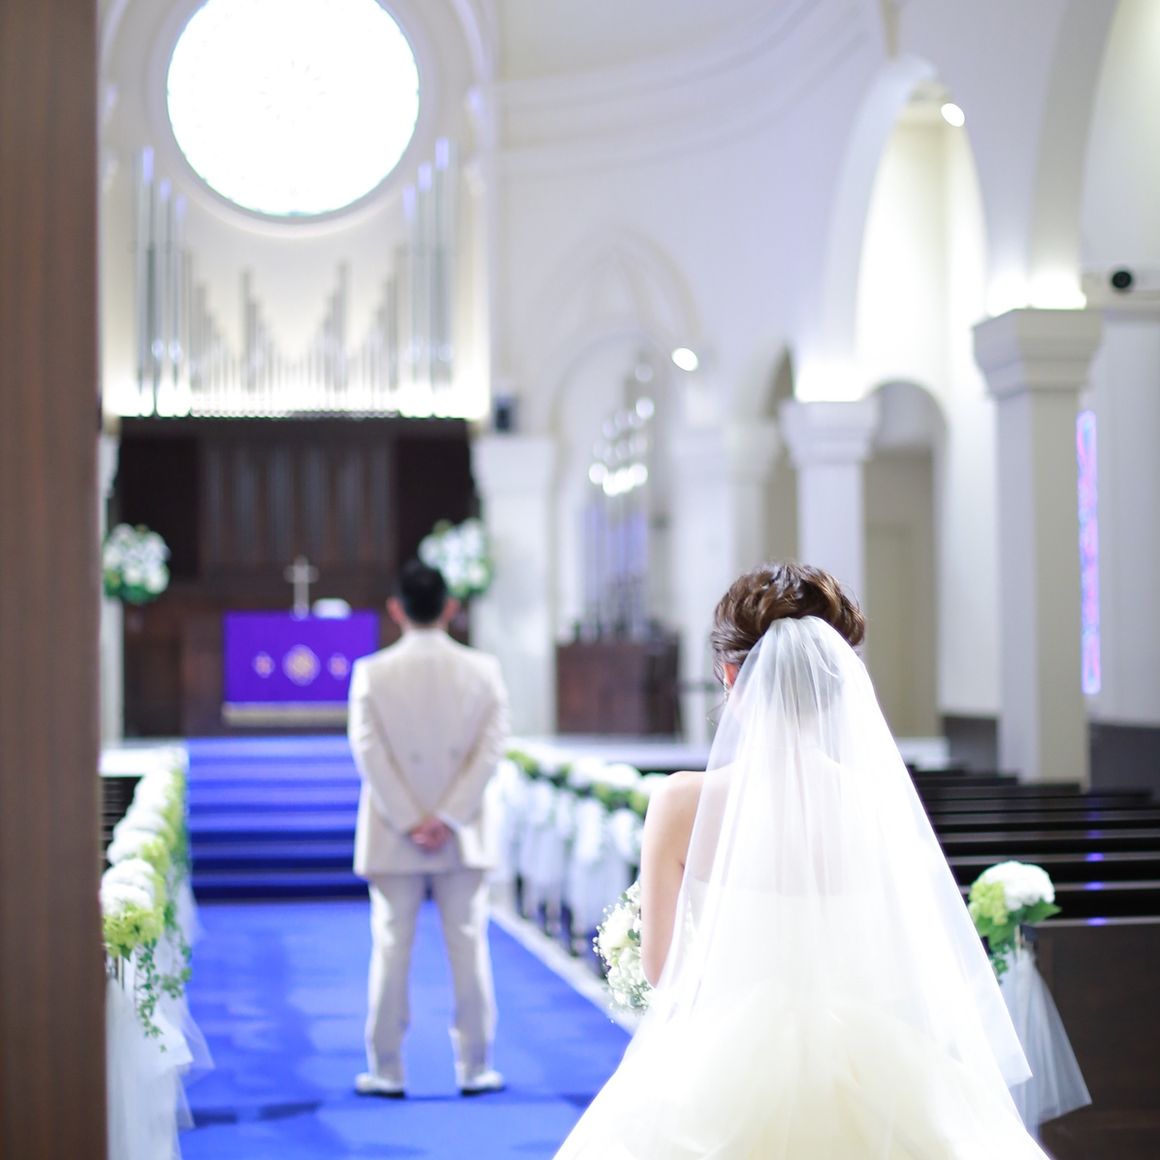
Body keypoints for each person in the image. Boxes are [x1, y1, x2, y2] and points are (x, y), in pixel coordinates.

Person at [557, 562, 1048, 1157]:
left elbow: (663, 970)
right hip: (862, 1053)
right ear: (835, 682)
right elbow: (893, 957)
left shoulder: (681, 803)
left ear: (729, 676)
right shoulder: (873, 804)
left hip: (722, 1062)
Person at [348, 560, 509, 1098]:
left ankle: (387, 1068)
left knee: (391, 947)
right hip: (462, 835)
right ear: (451, 608)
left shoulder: (372, 672)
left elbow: (368, 752)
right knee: (468, 944)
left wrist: (409, 819)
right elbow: (491, 751)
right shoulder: (483, 669)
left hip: (394, 834)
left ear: (396, 609)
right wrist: (449, 817)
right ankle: (475, 1065)